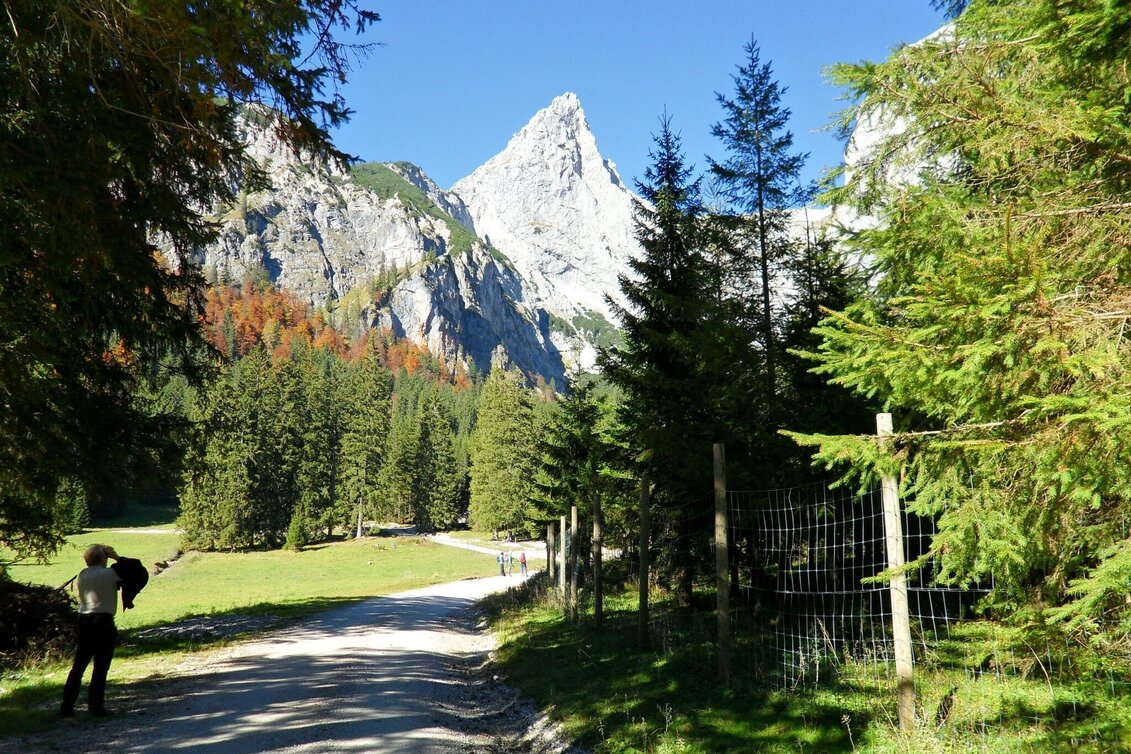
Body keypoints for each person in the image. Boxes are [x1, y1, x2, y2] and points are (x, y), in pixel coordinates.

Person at [61, 544, 122, 717]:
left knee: (79, 666)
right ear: (104, 558)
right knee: (101, 666)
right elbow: (133, 569)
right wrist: (116, 556)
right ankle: (96, 706)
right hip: (103, 622)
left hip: (84, 622)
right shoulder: (109, 574)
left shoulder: (83, 574)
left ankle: (66, 706)